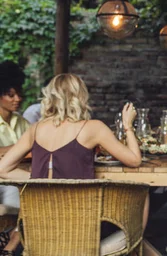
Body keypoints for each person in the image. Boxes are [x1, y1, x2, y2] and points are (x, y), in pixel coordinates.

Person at [0, 74, 148, 256]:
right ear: (81, 97)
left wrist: (37, 179)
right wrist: (127, 126)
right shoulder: (93, 128)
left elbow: (3, 169)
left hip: (38, 237)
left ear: (50, 98)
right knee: (145, 197)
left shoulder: (35, 129)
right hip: (85, 238)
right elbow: (134, 160)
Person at [0, 61, 28, 252]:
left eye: (19, 94)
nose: (17, 99)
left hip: (18, 179)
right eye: (10, 95)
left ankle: (13, 244)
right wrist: (21, 148)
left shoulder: (22, 122)